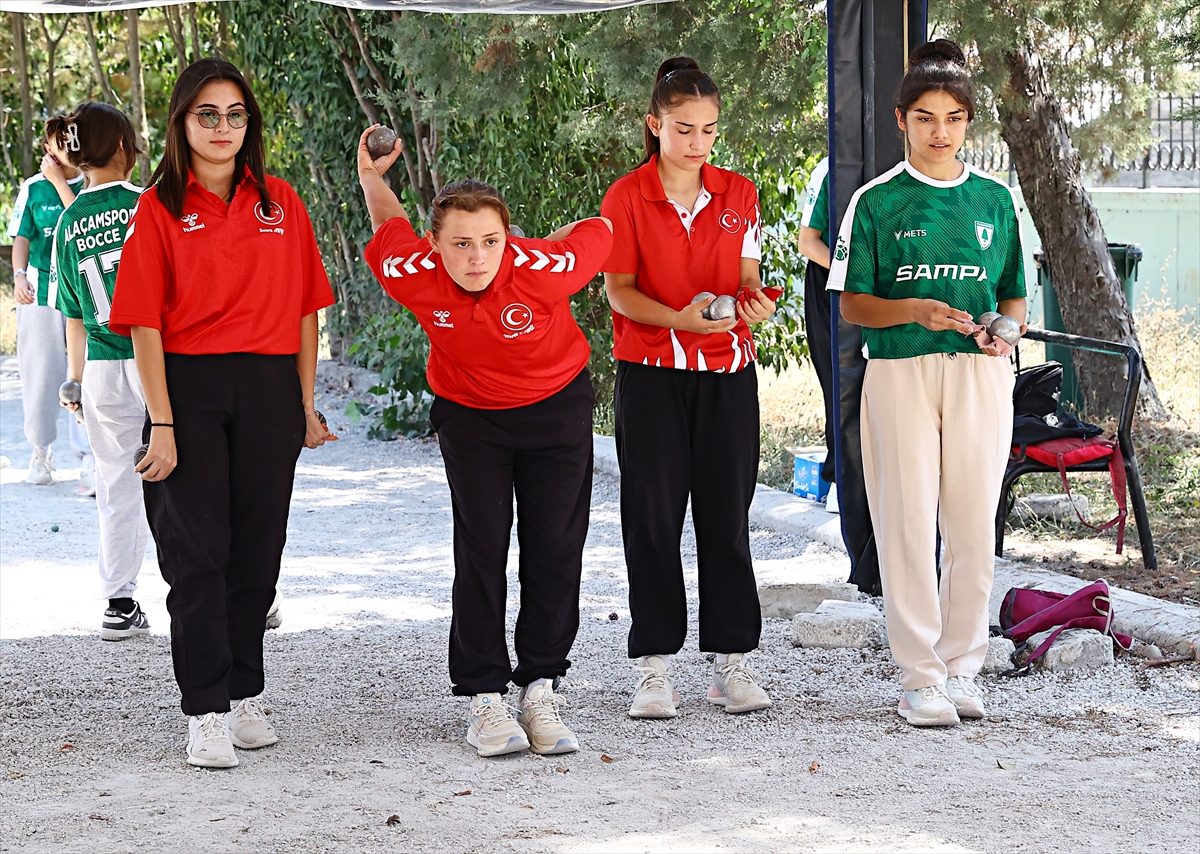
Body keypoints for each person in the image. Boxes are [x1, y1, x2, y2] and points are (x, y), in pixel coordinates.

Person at [357, 126, 614, 758]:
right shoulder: (410, 271)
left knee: (556, 546)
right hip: (471, 417)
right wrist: (371, 178)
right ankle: (485, 697)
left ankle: (540, 685)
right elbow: (389, 223)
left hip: (555, 408)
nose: (477, 258)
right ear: (435, 246)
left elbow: (601, 231)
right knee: (481, 547)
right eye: (462, 244)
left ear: (510, 239)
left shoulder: (544, 270)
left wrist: (539, 247)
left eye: (492, 242)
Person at [109, 58, 337, 768]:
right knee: (196, 555)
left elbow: (305, 311)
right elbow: (144, 324)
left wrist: (303, 403)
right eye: (207, 113)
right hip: (190, 389)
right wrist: (165, 421)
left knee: (256, 554)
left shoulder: (283, 203)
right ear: (181, 121)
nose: (222, 127)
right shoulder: (158, 207)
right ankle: (204, 710)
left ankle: (244, 697)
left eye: (235, 114)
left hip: (269, 390)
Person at [828, 40, 1027, 727]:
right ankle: (920, 677)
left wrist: (1000, 330)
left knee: (972, 523)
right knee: (907, 525)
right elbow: (853, 303)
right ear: (900, 120)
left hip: (978, 377)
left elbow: (1013, 299)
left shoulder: (996, 200)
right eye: (925, 117)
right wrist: (913, 310)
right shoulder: (874, 203)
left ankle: (964, 668)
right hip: (899, 375)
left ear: (969, 122)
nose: (939, 131)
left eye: (953, 117)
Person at [601, 57, 777, 720]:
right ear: (655, 124)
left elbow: (747, 277)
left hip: (728, 375)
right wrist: (679, 320)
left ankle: (732, 661)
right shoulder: (624, 197)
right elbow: (619, 293)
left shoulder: (740, 193)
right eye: (683, 129)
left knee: (726, 518)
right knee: (652, 518)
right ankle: (653, 667)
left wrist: (752, 302)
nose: (697, 142)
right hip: (650, 375)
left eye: (707, 129)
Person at [46, 103, 152, 642]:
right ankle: (236, 593)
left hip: (102, 369)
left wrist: (75, 379)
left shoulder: (66, 223)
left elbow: (72, 312)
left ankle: (119, 602)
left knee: (114, 483)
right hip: (159, 360)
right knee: (195, 474)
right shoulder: (149, 205)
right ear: (121, 149)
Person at [8, 120, 93, 491]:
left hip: (82, 292)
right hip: (41, 293)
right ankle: (41, 449)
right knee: (41, 372)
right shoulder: (32, 187)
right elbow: (22, 236)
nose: (61, 149)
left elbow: (84, 221)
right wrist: (19, 275)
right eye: (56, 143)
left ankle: (90, 455)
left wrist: (62, 183)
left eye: (68, 142)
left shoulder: (92, 181)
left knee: (86, 372)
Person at [796, 155, 839, 512]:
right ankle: (840, 478)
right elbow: (808, 242)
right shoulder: (831, 167)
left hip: (888, 288)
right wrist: (854, 273)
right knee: (839, 383)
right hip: (833, 283)